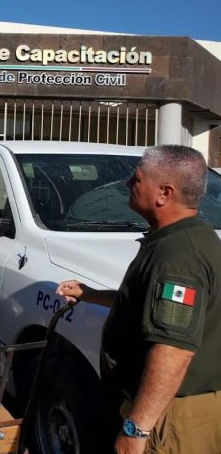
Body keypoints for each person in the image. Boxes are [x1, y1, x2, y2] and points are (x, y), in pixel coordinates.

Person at [56, 145, 221, 454]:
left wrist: (137, 428)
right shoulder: (186, 236)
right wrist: (91, 294)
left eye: (137, 179)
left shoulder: (177, 257)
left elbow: (173, 350)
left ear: (164, 193)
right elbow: (152, 306)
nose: (127, 185)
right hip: (172, 409)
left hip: (172, 417)